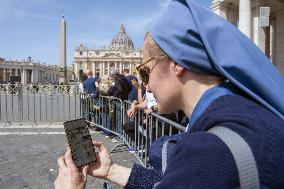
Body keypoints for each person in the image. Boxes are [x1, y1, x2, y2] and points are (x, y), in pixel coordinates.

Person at [55, 0, 284, 188]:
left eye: (145, 72)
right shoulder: (239, 115)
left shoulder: (209, 151)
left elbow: (192, 175)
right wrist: (111, 170)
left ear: (177, 63)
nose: (145, 85)